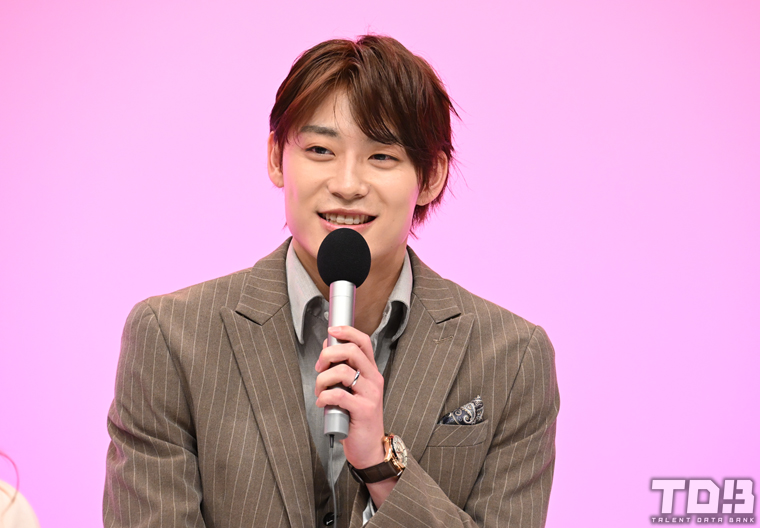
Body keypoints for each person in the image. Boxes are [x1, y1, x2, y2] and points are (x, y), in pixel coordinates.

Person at [104, 35, 559, 528]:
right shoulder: (172, 337)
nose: (346, 185)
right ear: (276, 158)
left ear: (430, 176)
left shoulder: (513, 357)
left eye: (381, 156)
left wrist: (382, 467)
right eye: (320, 149)